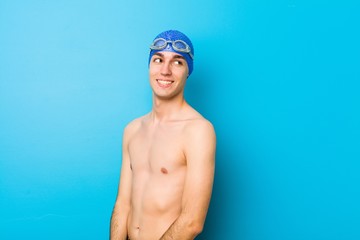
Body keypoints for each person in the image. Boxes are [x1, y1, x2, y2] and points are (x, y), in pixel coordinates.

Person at [110, 30, 216, 240]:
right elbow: (123, 205)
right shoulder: (132, 130)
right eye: (158, 59)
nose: (165, 70)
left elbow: (192, 222)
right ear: (150, 66)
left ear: (188, 71)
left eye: (177, 62)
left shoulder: (197, 131)